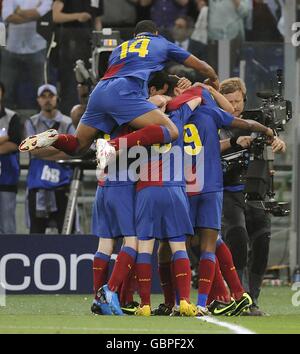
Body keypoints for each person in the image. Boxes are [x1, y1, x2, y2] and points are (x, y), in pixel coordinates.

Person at [19, 20, 219, 173]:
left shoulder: (119, 48)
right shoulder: (161, 43)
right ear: (155, 33)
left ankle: (54, 137)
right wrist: (213, 78)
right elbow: (202, 66)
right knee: (171, 130)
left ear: (134, 35)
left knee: (78, 145)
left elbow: (133, 68)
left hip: (100, 91)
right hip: (125, 91)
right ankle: (111, 146)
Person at [165, 78, 273, 315]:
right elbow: (241, 120)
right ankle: (206, 302)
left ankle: (179, 301)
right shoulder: (211, 113)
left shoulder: (173, 115)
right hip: (211, 187)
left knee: (179, 246)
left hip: (184, 187)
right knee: (209, 245)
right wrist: (267, 130)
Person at [219, 77, 286, 315]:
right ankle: (240, 297)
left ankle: (253, 299)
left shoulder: (259, 119)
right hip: (228, 190)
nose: (234, 106)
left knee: (262, 242)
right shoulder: (215, 120)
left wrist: (278, 142)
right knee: (237, 236)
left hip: (257, 192)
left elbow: (277, 142)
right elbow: (207, 148)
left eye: (237, 101)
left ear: (244, 99)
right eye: (229, 102)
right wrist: (236, 142)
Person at [24, 84, 76, 234]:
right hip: (38, 186)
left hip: (62, 186)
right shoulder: (32, 122)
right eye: (43, 96)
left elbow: (73, 150)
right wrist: (59, 148)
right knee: (36, 234)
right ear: (38, 100)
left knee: (67, 232)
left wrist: (43, 151)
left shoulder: (67, 122)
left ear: (57, 98)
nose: (47, 100)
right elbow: (32, 150)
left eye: (50, 96)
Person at [52, 0, 103, 115]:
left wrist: (99, 39)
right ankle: (68, 117)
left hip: (90, 48)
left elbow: (97, 20)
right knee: (70, 85)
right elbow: (55, 15)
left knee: (91, 84)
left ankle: (90, 115)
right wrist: (78, 16)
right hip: (69, 47)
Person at [1, 0, 52, 109]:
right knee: (5, 89)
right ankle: (6, 120)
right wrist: (33, 15)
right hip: (12, 47)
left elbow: (42, 13)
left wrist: (18, 11)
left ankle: (42, 119)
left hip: (37, 47)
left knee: (43, 90)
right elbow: (8, 16)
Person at [0, 81, 22, 234]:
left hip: (6, 178)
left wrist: (8, 141)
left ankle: (9, 256)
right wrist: (3, 139)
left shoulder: (12, 117)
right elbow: (7, 142)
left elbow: (14, 144)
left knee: (7, 226)